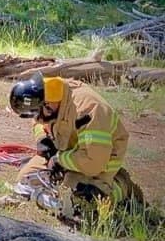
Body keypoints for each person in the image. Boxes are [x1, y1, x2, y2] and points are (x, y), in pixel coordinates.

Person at [8, 73, 144, 210]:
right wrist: (43, 139)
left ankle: (121, 184)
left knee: (82, 202)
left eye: (36, 113)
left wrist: (60, 160)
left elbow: (93, 162)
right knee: (25, 180)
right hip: (67, 151)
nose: (37, 119)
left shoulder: (89, 110)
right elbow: (39, 122)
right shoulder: (49, 95)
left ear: (47, 105)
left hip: (98, 159)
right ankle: (67, 176)